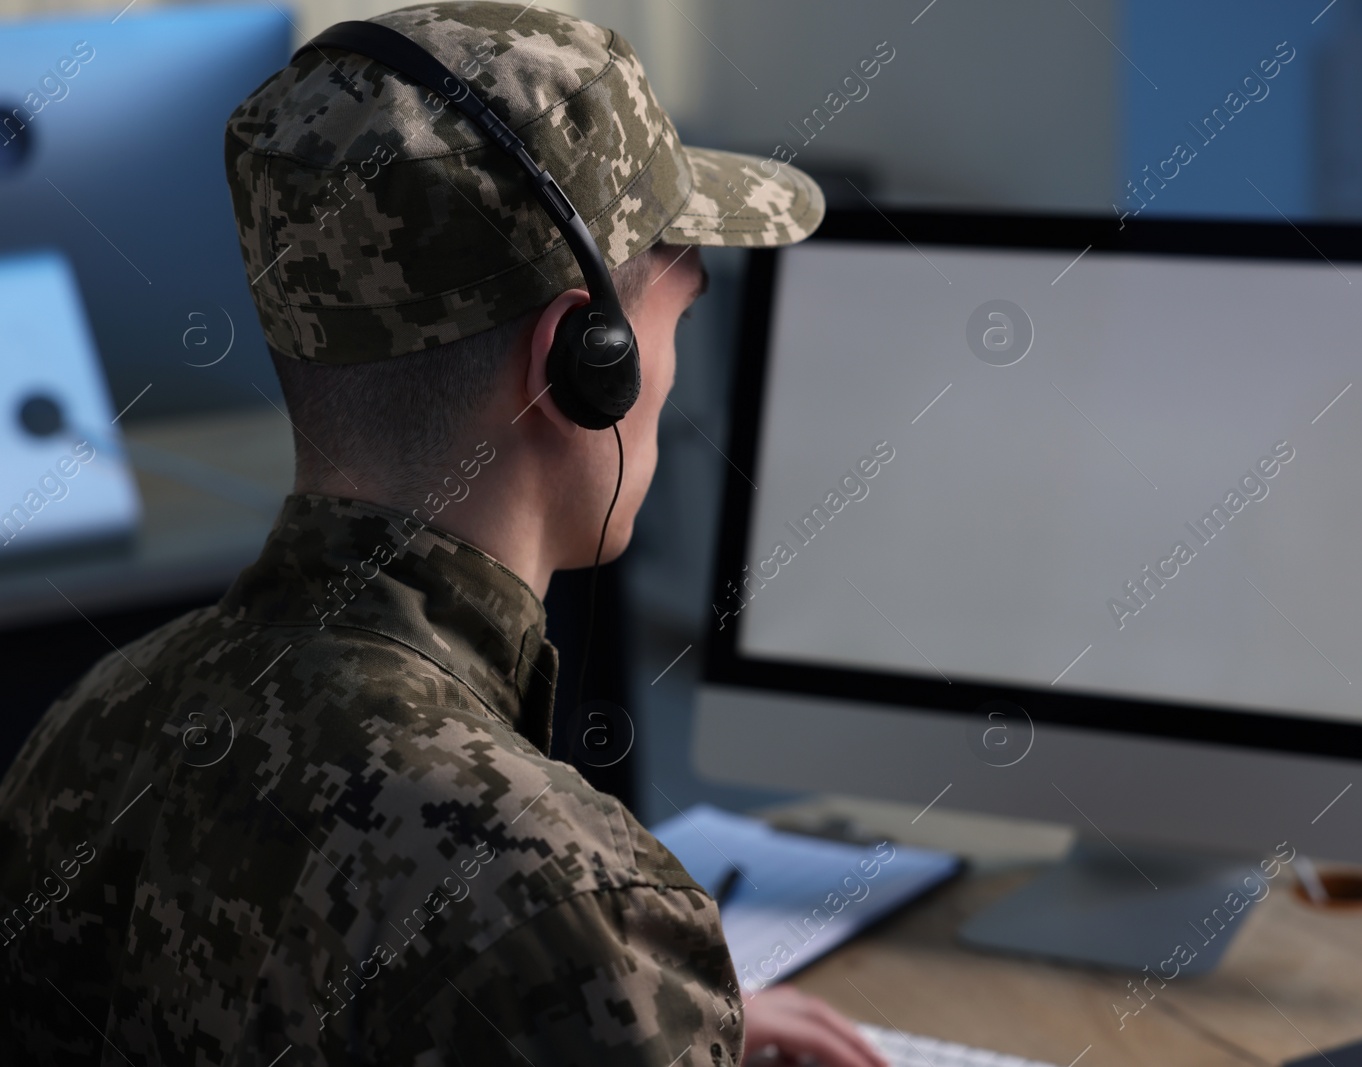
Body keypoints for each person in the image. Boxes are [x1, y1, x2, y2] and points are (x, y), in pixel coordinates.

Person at [0, 4, 888, 1065]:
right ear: (584, 365)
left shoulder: (86, 735)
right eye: (678, 316)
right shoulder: (567, 898)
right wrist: (624, 995)